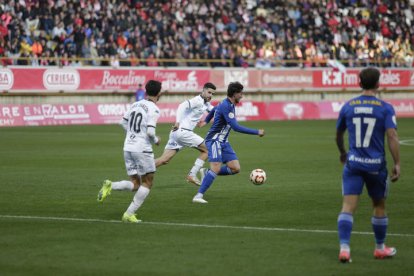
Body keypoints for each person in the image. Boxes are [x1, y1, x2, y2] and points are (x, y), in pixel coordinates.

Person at [335, 67, 400, 263]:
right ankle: (380, 248)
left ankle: (345, 249)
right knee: (379, 205)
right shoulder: (385, 108)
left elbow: (338, 135)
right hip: (375, 166)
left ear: (359, 83)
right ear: (378, 83)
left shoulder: (349, 106)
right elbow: (392, 136)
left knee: (347, 206)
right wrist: (397, 163)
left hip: (354, 164)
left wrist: (343, 153)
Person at [97, 80, 163, 223]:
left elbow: (122, 122)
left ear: (146, 91)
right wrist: (156, 140)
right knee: (148, 182)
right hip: (142, 149)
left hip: (128, 147)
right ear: (159, 93)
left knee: (135, 184)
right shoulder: (154, 109)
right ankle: (128, 214)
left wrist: (133, 132)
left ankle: (111, 185)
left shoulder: (135, 104)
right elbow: (151, 132)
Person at [192, 82, 265, 204]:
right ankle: (198, 196)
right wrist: (256, 132)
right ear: (234, 93)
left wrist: (205, 121)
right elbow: (236, 127)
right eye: (240, 93)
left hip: (224, 142)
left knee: (235, 168)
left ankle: (206, 173)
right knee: (216, 167)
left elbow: (215, 108)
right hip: (214, 140)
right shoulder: (227, 106)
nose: (242, 95)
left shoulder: (228, 104)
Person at [155, 82, 217, 185]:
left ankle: (142, 169)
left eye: (212, 94)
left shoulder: (206, 103)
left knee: (164, 160)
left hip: (176, 133)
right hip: (183, 132)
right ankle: (192, 175)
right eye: (209, 92)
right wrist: (177, 122)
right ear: (203, 90)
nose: (210, 95)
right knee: (208, 149)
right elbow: (181, 106)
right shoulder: (197, 100)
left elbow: (214, 111)